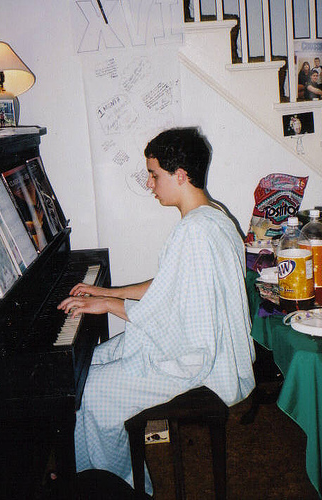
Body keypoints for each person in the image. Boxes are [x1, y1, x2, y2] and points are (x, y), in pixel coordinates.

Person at [58, 127, 256, 495]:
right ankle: (94, 475)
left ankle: (116, 488)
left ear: (180, 175)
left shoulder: (195, 232)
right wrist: (107, 292)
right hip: (199, 345)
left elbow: (173, 317)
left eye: (154, 174)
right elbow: (168, 285)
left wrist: (108, 305)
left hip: (201, 361)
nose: (150, 184)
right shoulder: (214, 216)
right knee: (88, 364)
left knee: (92, 394)